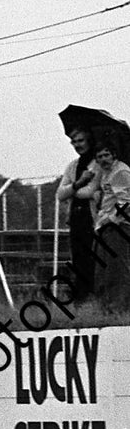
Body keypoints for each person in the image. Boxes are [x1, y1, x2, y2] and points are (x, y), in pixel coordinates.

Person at [56, 127, 99, 301]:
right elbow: (60, 194)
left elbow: (90, 191)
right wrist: (78, 183)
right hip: (75, 217)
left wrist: (73, 189)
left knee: (93, 259)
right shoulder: (73, 166)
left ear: (88, 140)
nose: (77, 145)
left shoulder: (97, 163)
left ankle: (94, 298)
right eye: (74, 142)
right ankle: (81, 298)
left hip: (93, 218)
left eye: (80, 140)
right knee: (78, 259)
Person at [89, 142, 130, 311]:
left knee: (117, 268)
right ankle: (105, 308)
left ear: (113, 155)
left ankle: (119, 307)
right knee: (102, 269)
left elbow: (126, 201)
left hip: (119, 226)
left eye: (106, 155)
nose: (103, 159)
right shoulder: (106, 173)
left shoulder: (121, 172)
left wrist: (112, 219)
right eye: (100, 156)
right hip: (104, 225)